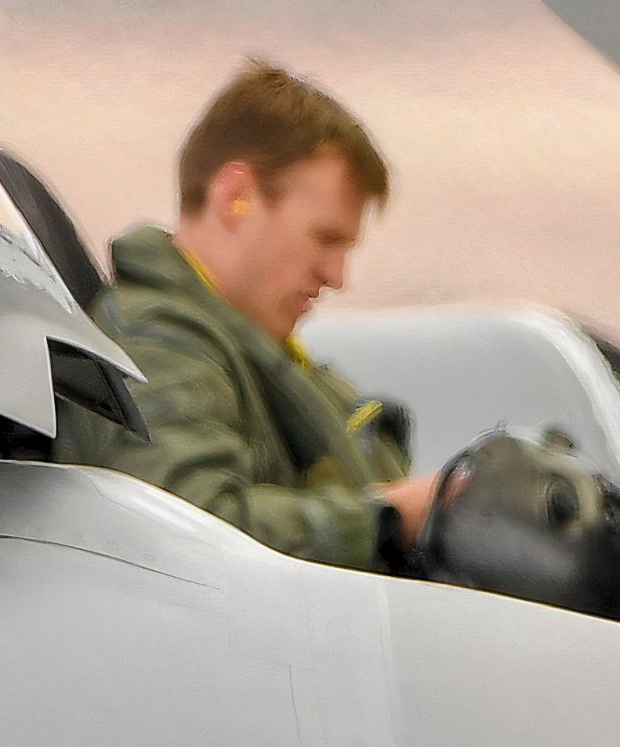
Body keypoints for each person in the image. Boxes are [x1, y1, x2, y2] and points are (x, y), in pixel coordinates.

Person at [63, 59, 444, 569]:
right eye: (325, 239)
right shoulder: (153, 344)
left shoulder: (253, 351)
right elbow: (183, 529)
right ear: (236, 196)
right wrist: (387, 519)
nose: (337, 276)